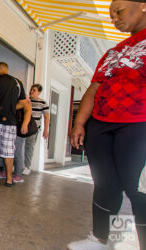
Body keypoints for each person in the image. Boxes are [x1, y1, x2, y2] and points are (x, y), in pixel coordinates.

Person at [68, 1, 146, 249]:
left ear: (142, 5)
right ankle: (99, 240)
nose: (113, 18)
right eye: (111, 15)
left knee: (139, 190)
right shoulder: (113, 51)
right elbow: (94, 87)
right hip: (100, 126)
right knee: (105, 185)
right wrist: (79, 122)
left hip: (138, 125)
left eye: (118, 11)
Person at [22, 84, 49, 176]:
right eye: (31, 90)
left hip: (34, 129)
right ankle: (17, 165)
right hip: (23, 127)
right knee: (19, 146)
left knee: (29, 147)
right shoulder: (25, 101)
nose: (31, 91)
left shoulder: (43, 103)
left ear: (39, 92)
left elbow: (46, 116)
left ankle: (27, 167)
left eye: (34, 90)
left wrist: (46, 130)